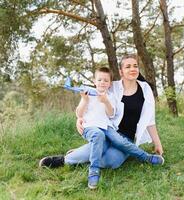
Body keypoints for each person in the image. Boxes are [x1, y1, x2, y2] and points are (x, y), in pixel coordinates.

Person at [39, 54, 164, 187]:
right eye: (127, 66)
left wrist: (158, 144)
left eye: (135, 66)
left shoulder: (145, 90)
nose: (132, 69)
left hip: (126, 137)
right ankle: (64, 160)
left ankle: (85, 153)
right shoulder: (112, 86)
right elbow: (93, 97)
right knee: (99, 143)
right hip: (105, 132)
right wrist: (80, 118)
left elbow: (150, 119)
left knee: (112, 161)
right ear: (121, 72)